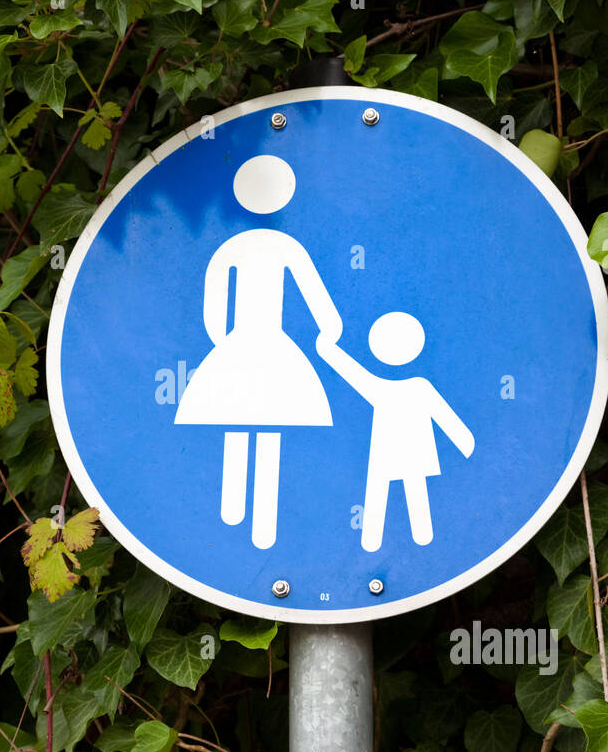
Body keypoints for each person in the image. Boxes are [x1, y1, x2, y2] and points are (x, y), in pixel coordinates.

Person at [175, 155, 342, 550]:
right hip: (269, 343)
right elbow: (317, 297)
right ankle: (255, 523)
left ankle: (241, 514)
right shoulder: (285, 244)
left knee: (244, 417)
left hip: (241, 342)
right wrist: (328, 329)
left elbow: (213, 304)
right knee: (269, 423)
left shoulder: (234, 246)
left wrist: (223, 344)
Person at [316, 312, 474, 552]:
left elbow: (444, 415)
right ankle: (394, 542)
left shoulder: (391, 388)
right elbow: (446, 417)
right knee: (402, 491)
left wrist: (328, 348)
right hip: (399, 452)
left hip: (397, 451)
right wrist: (465, 442)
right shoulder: (411, 387)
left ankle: (387, 543)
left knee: (394, 493)